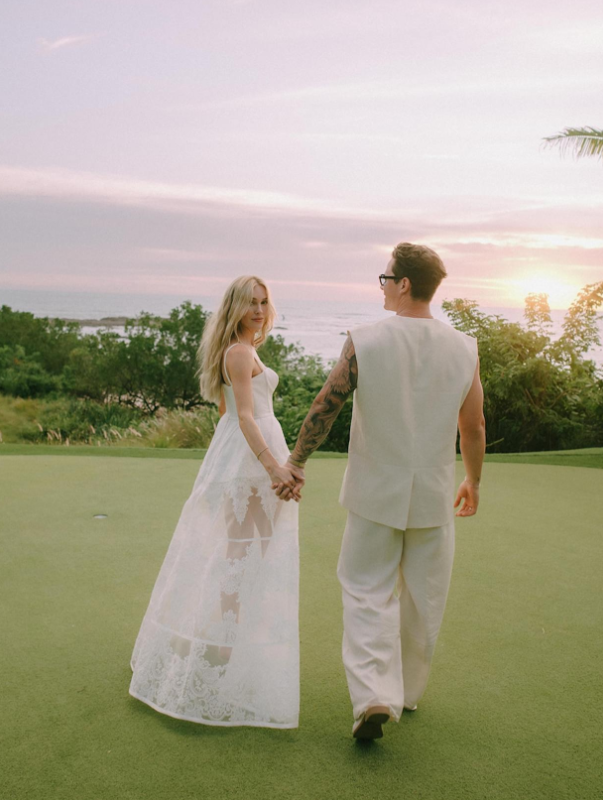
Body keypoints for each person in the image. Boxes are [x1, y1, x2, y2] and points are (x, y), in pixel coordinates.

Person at [275, 242, 486, 740]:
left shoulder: (365, 340)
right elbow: (473, 424)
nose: (383, 287)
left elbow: (326, 404)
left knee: (366, 591)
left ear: (405, 284)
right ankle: (406, 693)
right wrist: (473, 480)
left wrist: (296, 461)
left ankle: (373, 694)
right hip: (433, 494)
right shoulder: (464, 347)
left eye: (386, 279)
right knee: (424, 600)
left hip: (373, 492)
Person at [129, 276, 301, 728]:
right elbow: (243, 415)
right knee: (240, 555)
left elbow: (227, 413)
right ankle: (223, 648)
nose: (259, 310)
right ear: (235, 307)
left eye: (264, 301)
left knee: (249, 553)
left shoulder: (244, 349)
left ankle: (227, 641)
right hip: (252, 462)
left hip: (247, 457)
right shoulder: (239, 353)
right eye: (250, 303)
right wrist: (273, 466)